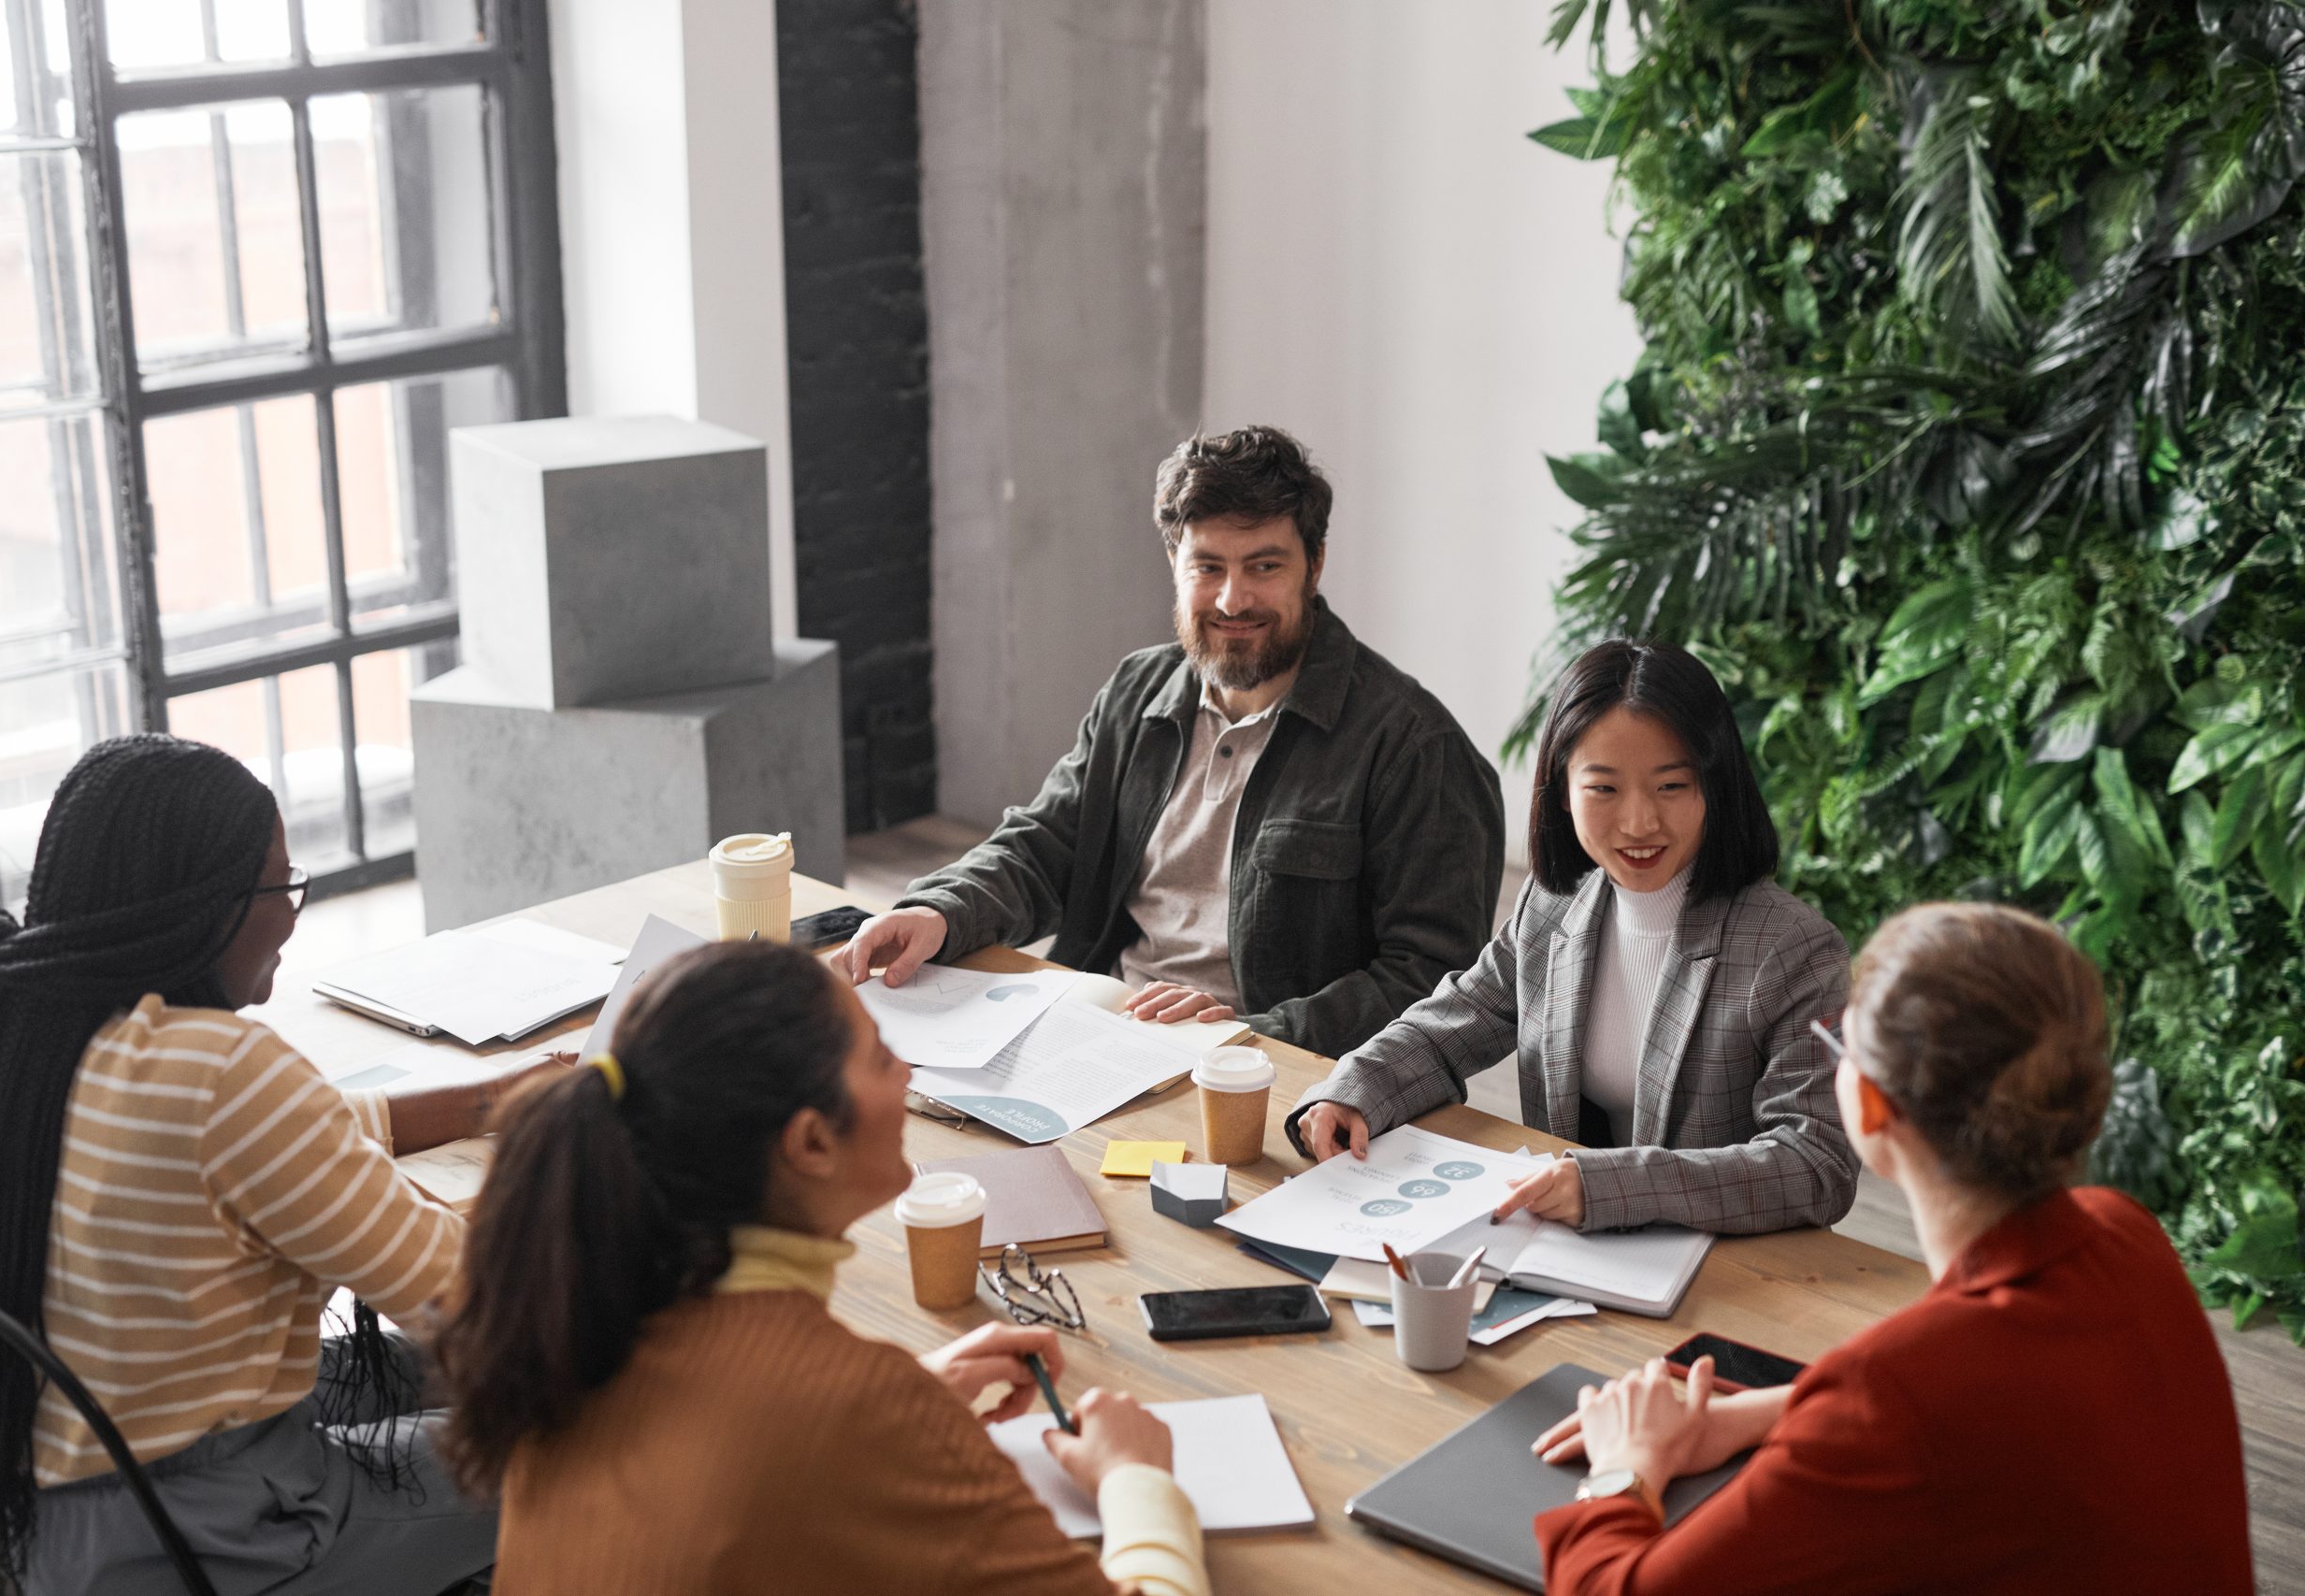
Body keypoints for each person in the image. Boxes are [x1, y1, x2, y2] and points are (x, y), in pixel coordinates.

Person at [0, 734, 547, 1596]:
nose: (293, 915)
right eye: (281, 888)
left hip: (69, 1513)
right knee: (586, 1434)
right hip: (211, 1535)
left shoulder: (52, 1035)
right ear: (204, 906)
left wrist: (491, 1099)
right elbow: (470, 1305)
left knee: (456, 1378)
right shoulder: (224, 1078)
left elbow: (291, 1138)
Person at [438, 938, 1209, 1594]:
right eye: (879, 1055)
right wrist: (1136, 1478)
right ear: (810, 1143)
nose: (907, 1071)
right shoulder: (859, 1409)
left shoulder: (585, 1310)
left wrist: (902, 1404)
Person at [1527, 901, 2253, 1592]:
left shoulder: (1902, 1387)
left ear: (1871, 1104)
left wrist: (1627, 1464)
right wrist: (1772, 1412)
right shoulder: (2124, 1231)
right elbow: (1982, 1412)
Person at [832, 424, 1505, 1059]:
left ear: (1315, 564)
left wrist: (1248, 1035)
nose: (1233, 600)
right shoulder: (1138, 689)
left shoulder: (1417, 747)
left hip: (1269, 1075)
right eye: (1207, 566)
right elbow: (1048, 845)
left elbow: (1437, 983)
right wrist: (940, 908)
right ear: (1173, 563)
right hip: (1106, 1033)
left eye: (1265, 565)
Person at [1289, 640, 1856, 1235]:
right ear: (1563, 791)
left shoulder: (1793, 950)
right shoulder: (1551, 906)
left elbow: (1816, 1161)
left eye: (1671, 786)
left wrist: (1612, 1186)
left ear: (1714, 786)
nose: (1639, 823)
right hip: (1567, 1255)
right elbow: (1451, 1024)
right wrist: (1354, 1090)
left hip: (1723, 1269)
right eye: (1604, 789)